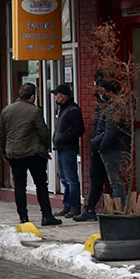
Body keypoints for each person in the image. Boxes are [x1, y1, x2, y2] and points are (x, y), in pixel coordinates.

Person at [0, 84, 62, 226]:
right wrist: (45, 147)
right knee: (41, 185)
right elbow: (43, 132)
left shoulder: (7, 110)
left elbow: (1, 134)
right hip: (34, 153)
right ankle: (46, 215)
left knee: (19, 185)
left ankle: (23, 218)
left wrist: (4, 151)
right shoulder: (35, 111)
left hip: (14, 153)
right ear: (33, 96)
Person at [89, 79, 131, 210]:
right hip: (115, 147)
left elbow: (110, 132)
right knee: (115, 181)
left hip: (112, 149)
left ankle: (119, 209)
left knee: (116, 182)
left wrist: (101, 147)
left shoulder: (113, 110)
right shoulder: (115, 108)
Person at [74, 85, 110, 222]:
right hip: (99, 147)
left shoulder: (107, 106)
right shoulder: (102, 103)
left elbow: (108, 131)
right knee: (97, 178)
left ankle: (92, 209)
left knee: (104, 179)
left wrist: (97, 144)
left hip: (103, 148)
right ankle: (91, 208)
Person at [50, 84, 85, 219]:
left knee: (71, 179)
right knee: (64, 179)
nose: (55, 98)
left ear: (63, 96)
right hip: (61, 148)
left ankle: (75, 207)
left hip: (68, 148)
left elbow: (79, 129)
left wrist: (64, 137)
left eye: (57, 95)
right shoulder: (63, 109)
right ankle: (67, 205)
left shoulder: (72, 110)